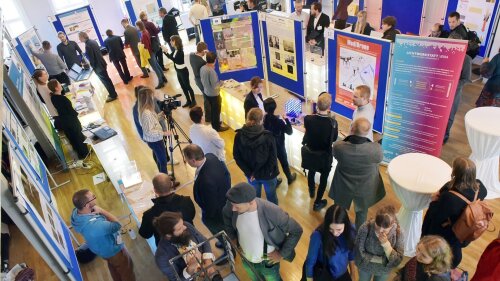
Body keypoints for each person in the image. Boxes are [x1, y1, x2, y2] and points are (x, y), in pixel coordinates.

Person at [222, 182, 303, 280]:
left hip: (267, 262)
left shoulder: (273, 212)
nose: (233, 209)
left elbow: (296, 230)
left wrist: (281, 254)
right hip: (246, 260)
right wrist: (234, 240)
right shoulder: (233, 204)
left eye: (237, 207)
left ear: (251, 202)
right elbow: (226, 217)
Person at [422, 157, 487, 269]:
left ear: (455, 172)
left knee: (434, 255)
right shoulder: (480, 188)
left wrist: (433, 201)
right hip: (462, 230)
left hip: (445, 233)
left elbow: (434, 215)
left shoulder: (449, 196)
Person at [329, 117, 385, 229]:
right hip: (365, 187)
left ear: (352, 128)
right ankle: (359, 235)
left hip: (343, 184)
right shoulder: (376, 149)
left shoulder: (339, 146)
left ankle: (340, 230)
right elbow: (378, 160)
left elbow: (335, 155)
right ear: (368, 132)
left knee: (339, 210)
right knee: (362, 212)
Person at [71, 189, 136, 281]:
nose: (95, 198)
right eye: (93, 197)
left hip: (102, 250)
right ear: (87, 205)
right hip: (114, 251)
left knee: (113, 267)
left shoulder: (76, 213)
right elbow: (117, 225)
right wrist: (102, 211)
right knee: (126, 270)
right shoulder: (96, 226)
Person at [183, 144, 230, 248]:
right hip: (224, 199)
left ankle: (228, 249)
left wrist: (209, 216)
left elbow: (211, 205)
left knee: (217, 228)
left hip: (216, 211)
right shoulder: (210, 156)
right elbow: (227, 174)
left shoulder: (206, 181)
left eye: (186, 159)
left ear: (193, 160)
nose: (186, 161)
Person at [233, 108, 280, 205]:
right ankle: (275, 216)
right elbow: (272, 160)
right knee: (271, 197)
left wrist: (250, 173)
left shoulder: (239, 135)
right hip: (268, 175)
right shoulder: (268, 137)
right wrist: (260, 174)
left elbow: (237, 157)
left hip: (251, 176)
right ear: (261, 121)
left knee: (255, 198)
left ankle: (257, 214)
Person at [153, 212, 216, 280]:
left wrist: (208, 263)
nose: (185, 227)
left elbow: (204, 241)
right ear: (168, 235)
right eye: (180, 228)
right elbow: (175, 279)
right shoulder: (162, 256)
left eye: (182, 224)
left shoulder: (186, 226)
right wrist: (191, 267)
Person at [302, 93, 338, 211]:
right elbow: (334, 139)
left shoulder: (308, 119)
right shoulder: (333, 123)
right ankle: (317, 202)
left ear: (317, 105)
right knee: (323, 179)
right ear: (329, 107)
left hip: (311, 154)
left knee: (311, 172)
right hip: (325, 157)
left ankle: (311, 190)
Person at [303, 204, 356, 281]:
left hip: (342, 274)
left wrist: (353, 274)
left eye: (339, 229)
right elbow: (310, 262)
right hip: (325, 274)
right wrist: (309, 278)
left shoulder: (351, 231)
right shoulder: (317, 236)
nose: (334, 233)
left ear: (346, 224)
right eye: (331, 229)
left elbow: (351, 254)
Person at [139, 173, 192, 245]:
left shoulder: (149, 215)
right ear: (171, 184)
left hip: (166, 248)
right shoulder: (186, 201)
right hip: (189, 238)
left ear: (154, 190)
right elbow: (191, 215)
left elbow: (145, 234)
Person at [355, 205, 404, 281]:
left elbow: (397, 260)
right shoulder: (365, 228)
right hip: (365, 266)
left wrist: (386, 245)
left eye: (385, 228)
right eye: (377, 226)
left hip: (384, 269)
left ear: (392, 224)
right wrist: (383, 260)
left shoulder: (398, 233)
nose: (380, 230)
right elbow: (358, 250)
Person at [47, 79, 89, 165]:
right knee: (78, 136)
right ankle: (85, 153)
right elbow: (70, 110)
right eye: (59, 84)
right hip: (71, 120)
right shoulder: (62, 99)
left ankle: (81, 153)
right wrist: (80, 113)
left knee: (73, 138)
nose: (61, 85)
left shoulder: (53, 97)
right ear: (56, 87)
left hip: (65, 121)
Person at [444, 35, 472, 143]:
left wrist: (453, 85)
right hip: (440, 91)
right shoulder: (444, 54)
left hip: (454, 93)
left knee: (450, 115)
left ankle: (445, 137)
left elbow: (466, 79)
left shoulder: (466, 59)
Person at [263, 98, 297, 185]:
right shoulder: (279, 121)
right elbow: (290, 132)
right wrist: (286, 119)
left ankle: (275, 181)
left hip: (269, 147)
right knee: (284, 162)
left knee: (273, 163)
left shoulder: (263, 120)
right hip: (279, 146)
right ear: (275, 107)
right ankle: (289, 178)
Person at [137, 87, 170, 173]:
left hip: (155, 140)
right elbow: (149, 131)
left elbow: (152, 121)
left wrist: (160, 115)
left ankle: (163, 176)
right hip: (155, 141)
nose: (153, 98)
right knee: (163, 161)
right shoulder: (146, 113)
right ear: (148, 99)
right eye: (152, 96)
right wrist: (164, 133)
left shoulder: (147, 110)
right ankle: (164, 180)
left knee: (160, 159)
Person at [78, 32, 118, 102]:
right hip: (102, 63)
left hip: (98, 66)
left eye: (79, 38)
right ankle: (113, 93)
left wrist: (91, 67)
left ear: (82, 37)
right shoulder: (93, 41)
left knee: (106, 81)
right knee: (107, 80)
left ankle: (113, 95)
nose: (79, 39)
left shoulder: (88, 45)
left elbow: (92, 58)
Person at [163, 35, 196, 108]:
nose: (170, 42)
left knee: (188, 86)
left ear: (175, 41)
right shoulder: (175, 50)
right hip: (178, 71)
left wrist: (166, 52)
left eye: (172, 40)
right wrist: (165, 52)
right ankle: (188, 100)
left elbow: (176, 60)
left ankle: (193, 101)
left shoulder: (180, 51)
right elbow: (170, 57)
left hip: (183, 72)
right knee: (183, 87)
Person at [200, 51, 228, 131]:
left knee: (212, 110)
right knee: (216, 111)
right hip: (214, 94)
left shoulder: (203, 68)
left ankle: (215, 123)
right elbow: (215, 86)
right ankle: (217, 127)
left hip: (207, 92)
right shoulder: (211, 71)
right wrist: (221, 83)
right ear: (215, 60)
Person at [136, 20, 167, 89]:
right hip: (152, 51)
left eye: (136, 26)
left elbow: (146, 46)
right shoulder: (146, 31)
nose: (136, 27)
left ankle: (161, 82)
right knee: (157, 65)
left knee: (155, 68)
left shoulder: (143, 34)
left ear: (139, 26)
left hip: (149, 53)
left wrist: (140, 45)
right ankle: (163, 78)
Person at [190, 42, 210, 121]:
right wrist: (207, 55)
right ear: (203, 51)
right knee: (206, 98)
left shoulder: (191, 55)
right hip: (201, 81)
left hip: (196, 79)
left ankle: (206, 114)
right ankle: (208, 117)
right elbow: (209, 64)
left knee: (205, 97)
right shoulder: (202, 62)